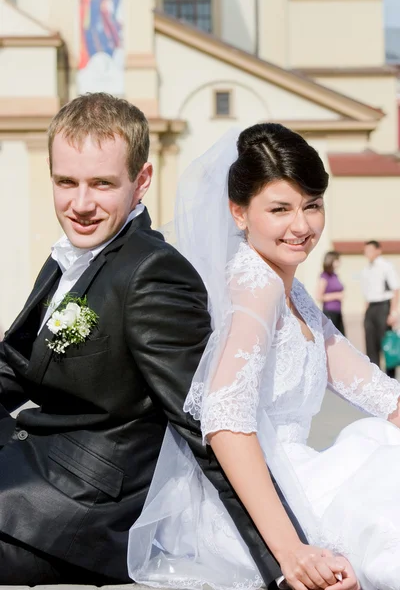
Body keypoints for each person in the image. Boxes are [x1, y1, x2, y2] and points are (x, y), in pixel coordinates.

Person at [0, 95, 304, 585]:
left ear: (141, 181)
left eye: (101, 183)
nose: (80, 204)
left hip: (83, 511)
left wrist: (284, 557)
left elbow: (202, 423)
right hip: (31, 464)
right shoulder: (71, 256)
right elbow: (16, 365)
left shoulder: (153, 274)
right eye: (66, 182)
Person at [129, 123, 400, 590]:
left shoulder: (292, 293)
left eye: (312, 206)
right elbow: (224, 417)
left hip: (300, 475)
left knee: (378, 442)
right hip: (265, 500)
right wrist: (290, 550)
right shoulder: (255, 287)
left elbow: (380, 393)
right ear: (239, 213)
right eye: (280, 209)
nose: (302, 226)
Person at [362, 239, 400, 377]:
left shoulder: (386, 266)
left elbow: (396, 289)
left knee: (386, 342)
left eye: (370, 250)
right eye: (366, 251)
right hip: (371, 308)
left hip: (384, 306)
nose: (367, 253)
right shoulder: (367, 269)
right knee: (370, 344)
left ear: (378, 250)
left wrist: (393, 312)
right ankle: (376, 378)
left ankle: (391, 378)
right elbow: (366, 294)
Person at [316, 251, 345, 335]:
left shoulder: (335, 275)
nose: (339, 262)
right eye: (337, 260)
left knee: (341, 338)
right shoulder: (324, 276)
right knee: (332, 338)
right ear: (331, 261)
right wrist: (336, 296)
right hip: (329, 312)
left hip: (338, 311)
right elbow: (319, 296)